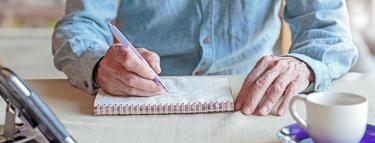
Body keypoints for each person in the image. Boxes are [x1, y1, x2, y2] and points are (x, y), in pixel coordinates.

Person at [52, 0, 357, 116]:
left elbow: (329, 30)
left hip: (253, 101)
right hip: (137, 99)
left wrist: (302, 64)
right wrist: (98, 64)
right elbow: (79, 25)